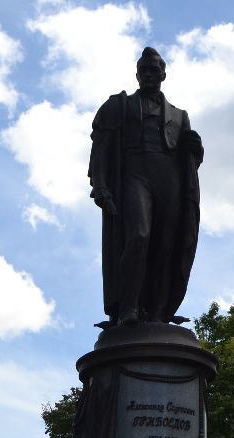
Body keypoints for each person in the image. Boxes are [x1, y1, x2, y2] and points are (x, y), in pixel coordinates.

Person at [88, 47, 203, 326]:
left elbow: (189, 160)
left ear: (164, 74)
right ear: (137, 75)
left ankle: (159, 312)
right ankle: (128, 308)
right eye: (144, 70)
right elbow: (101, 147)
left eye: (155, 70)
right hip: (134, 173)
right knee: (138, 236)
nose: (149, 74)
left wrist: (196, 149)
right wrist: (101, 185)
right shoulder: (120, 106)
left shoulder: (179, 115)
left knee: (166, 245)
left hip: (169, 178)